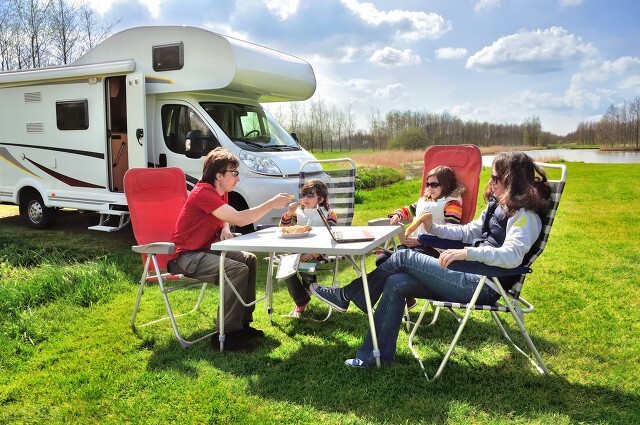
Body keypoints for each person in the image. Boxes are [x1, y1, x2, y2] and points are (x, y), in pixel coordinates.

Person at [311, 152, 551, 367]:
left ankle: (349, 295)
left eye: (495, 178)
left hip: (482, 285)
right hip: (467, 274)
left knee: (404, 256)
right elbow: (469, 232)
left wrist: (467, 253)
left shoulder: (525, 216)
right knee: (395, 283)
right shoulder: (497, 207)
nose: (491, 183)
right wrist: (434, 229)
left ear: (513, 181)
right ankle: (373, 357)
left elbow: (511, 256)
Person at [168, 147, 291, 352]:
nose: (238, 179)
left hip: (206, 250)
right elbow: (241, 219)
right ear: (219, 175)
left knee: (249, 259)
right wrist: (271, 204)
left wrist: (225, 227)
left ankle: (243, 324)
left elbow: (226, 217)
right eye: (234, 173)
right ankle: (226, 334)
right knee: (235, 269)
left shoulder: (220, 193)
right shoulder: (203, 193)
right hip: (186, 256)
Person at [377, 165, 464, 310]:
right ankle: (408, 299)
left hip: (435, 249)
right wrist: (398, 215)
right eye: (428, 184)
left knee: (396, 262)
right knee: (382, 259)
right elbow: (408, 210)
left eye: (434, 185)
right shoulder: (425, 200)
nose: (430, 188)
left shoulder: (452, 203)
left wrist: (421, 240)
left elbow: (452, 234)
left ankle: (393, 293)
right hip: (414, 246)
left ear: (446, 184)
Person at [279, 179, 338, 318]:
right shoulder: (298, 212)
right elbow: (283, 228)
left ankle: (308, 288)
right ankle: (302, 299)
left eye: (310, 196)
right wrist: (288, 214)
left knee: (305, 265)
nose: (305, 198)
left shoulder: (328, 214)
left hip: (320, 251)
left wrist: (315, 253)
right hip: (297, 250)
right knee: (285, 268)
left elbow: (332, 236)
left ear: (321, 198)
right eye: (304, 195)